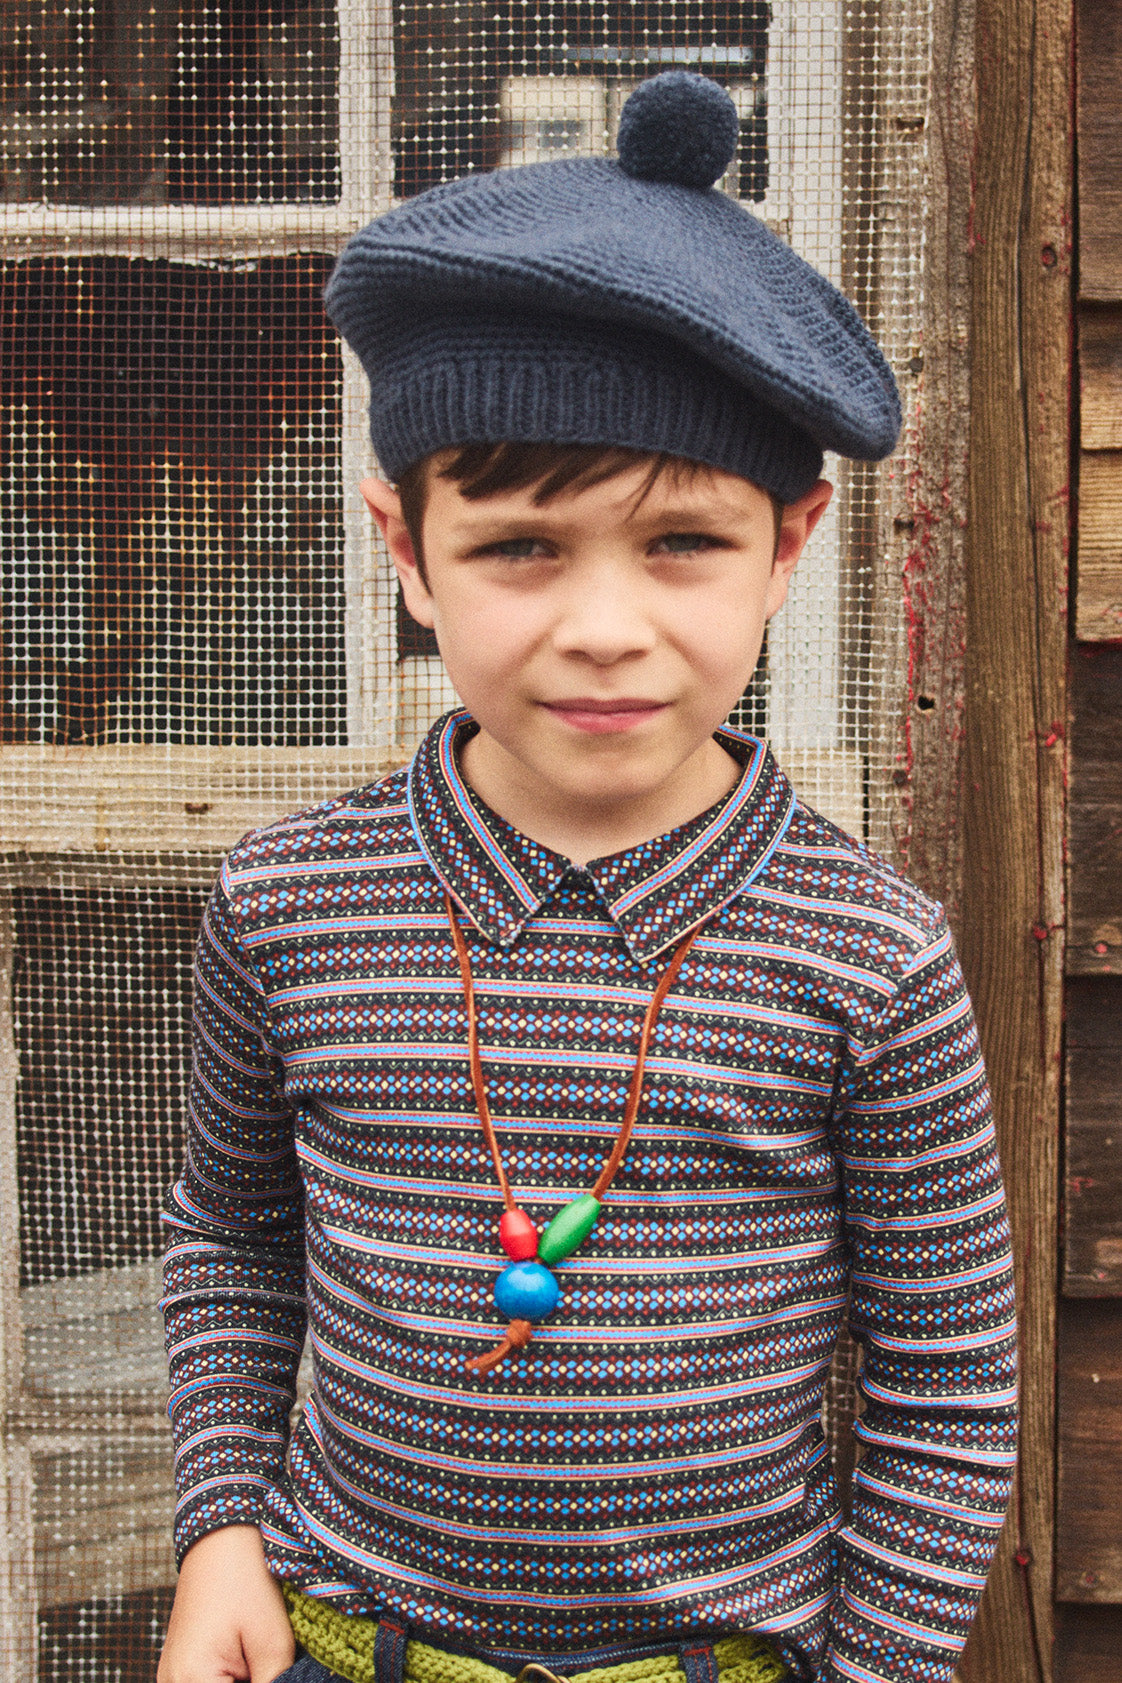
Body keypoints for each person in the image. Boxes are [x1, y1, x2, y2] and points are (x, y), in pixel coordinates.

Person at [158, 72, 1017, 1683]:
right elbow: (230, 1239)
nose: (605, 626)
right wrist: (216, 1528)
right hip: (344, 1646)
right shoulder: (286, 905)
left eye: (681, 542)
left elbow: (946, 1383)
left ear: (791, 542)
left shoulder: (869, 956)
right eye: (521, 549)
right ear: (405, 550)